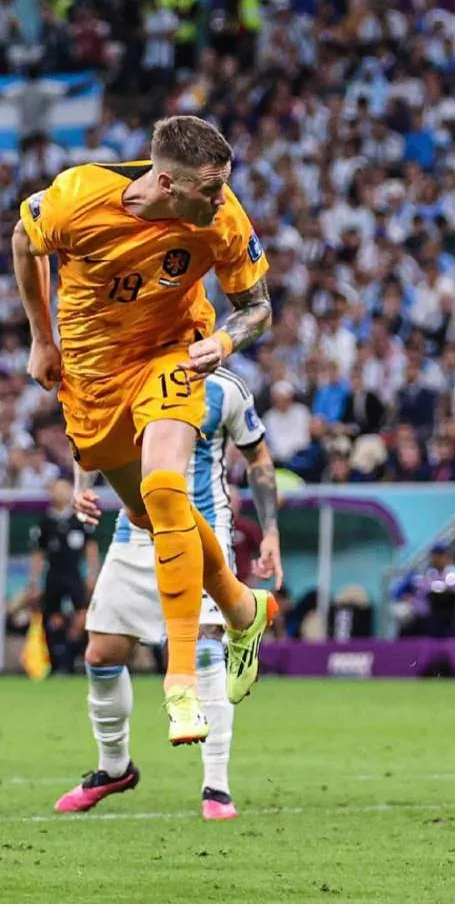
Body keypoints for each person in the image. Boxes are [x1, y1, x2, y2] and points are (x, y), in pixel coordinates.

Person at [12, 115, 278, 746]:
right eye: (209, 190)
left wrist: (222, 340)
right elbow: (25, 244)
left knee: (166, 488)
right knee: (158, 516)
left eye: (224, 187)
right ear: (165, 183)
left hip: (173, 353)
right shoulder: (79, 197)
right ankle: (245, 609)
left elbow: (259, 307)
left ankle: (181, 685)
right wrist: (41, 338)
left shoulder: (223, 218)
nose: (222, 201)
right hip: (94, 380)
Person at [54, 367, 282, 820]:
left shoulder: (225, 387)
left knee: (204, 646)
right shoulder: (130, 371)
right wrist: (83, 486)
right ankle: (114, 767)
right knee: (102, 653)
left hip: (201, 530)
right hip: (135, 530)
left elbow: (258, 459)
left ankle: (216, 786)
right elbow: (94, 430)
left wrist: (271, 531)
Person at [29, 477, 99, 674]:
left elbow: (91, 548)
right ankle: (57, 663)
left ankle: (73, 655)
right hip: (53, 575)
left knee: (81, 616)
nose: (60, 492)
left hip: (74, 574)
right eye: (56, 489)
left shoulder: (80, 520)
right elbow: (38, 553)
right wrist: (34, 581)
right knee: (53, 618)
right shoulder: (44, 522)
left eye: (64, 488)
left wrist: (92, 573)